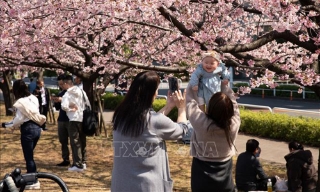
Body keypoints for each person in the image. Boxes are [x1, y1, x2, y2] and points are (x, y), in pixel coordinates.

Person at [111, 71, 189, 192]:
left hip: (121, 184)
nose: (157, 93)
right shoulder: (154, 121)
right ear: (151, 93)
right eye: (156, 89)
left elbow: (150, 126)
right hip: (146, 185)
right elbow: (182, 130)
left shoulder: (120, 115)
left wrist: (168, 106)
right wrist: (182, 108)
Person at [185, 82, 240, 192]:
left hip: (201, 172)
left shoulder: (201, 123)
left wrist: (194, 81)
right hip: (225, 173)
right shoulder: (234, 124)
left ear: (210, 108)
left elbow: (190, 102)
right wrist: (224, 84)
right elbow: (234, 103)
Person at [1, 80, 46, 190]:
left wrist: (6, 125)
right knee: (30, 156)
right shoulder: (34, 98)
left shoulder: (20, 102)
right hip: (37, 128)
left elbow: (19, 119)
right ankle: (32, 176)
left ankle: (33, 180)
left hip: (28, 129)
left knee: (29, 157)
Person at [61, 75, 89, 172]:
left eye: (63, 84)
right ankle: (84, 162)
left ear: (66, 84)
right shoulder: (81, 91)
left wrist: (70, 108)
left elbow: (63, 106)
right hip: (82, 118)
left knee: (75, 142)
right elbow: (87, 103)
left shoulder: (67, 93)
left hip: (73, 119)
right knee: (82, 140)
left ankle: (77, 164)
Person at [52, 74, 70, 166]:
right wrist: (56, 101)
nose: (61, 86)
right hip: (61, 119)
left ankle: (79, 160)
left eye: (62, 84)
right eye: (59, 84)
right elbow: (58, 108)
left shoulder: (72, 93)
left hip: (71, 120)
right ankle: (65, 159)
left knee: (75, 141)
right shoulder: (61, 93)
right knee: (63, 141)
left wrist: (62, 100)